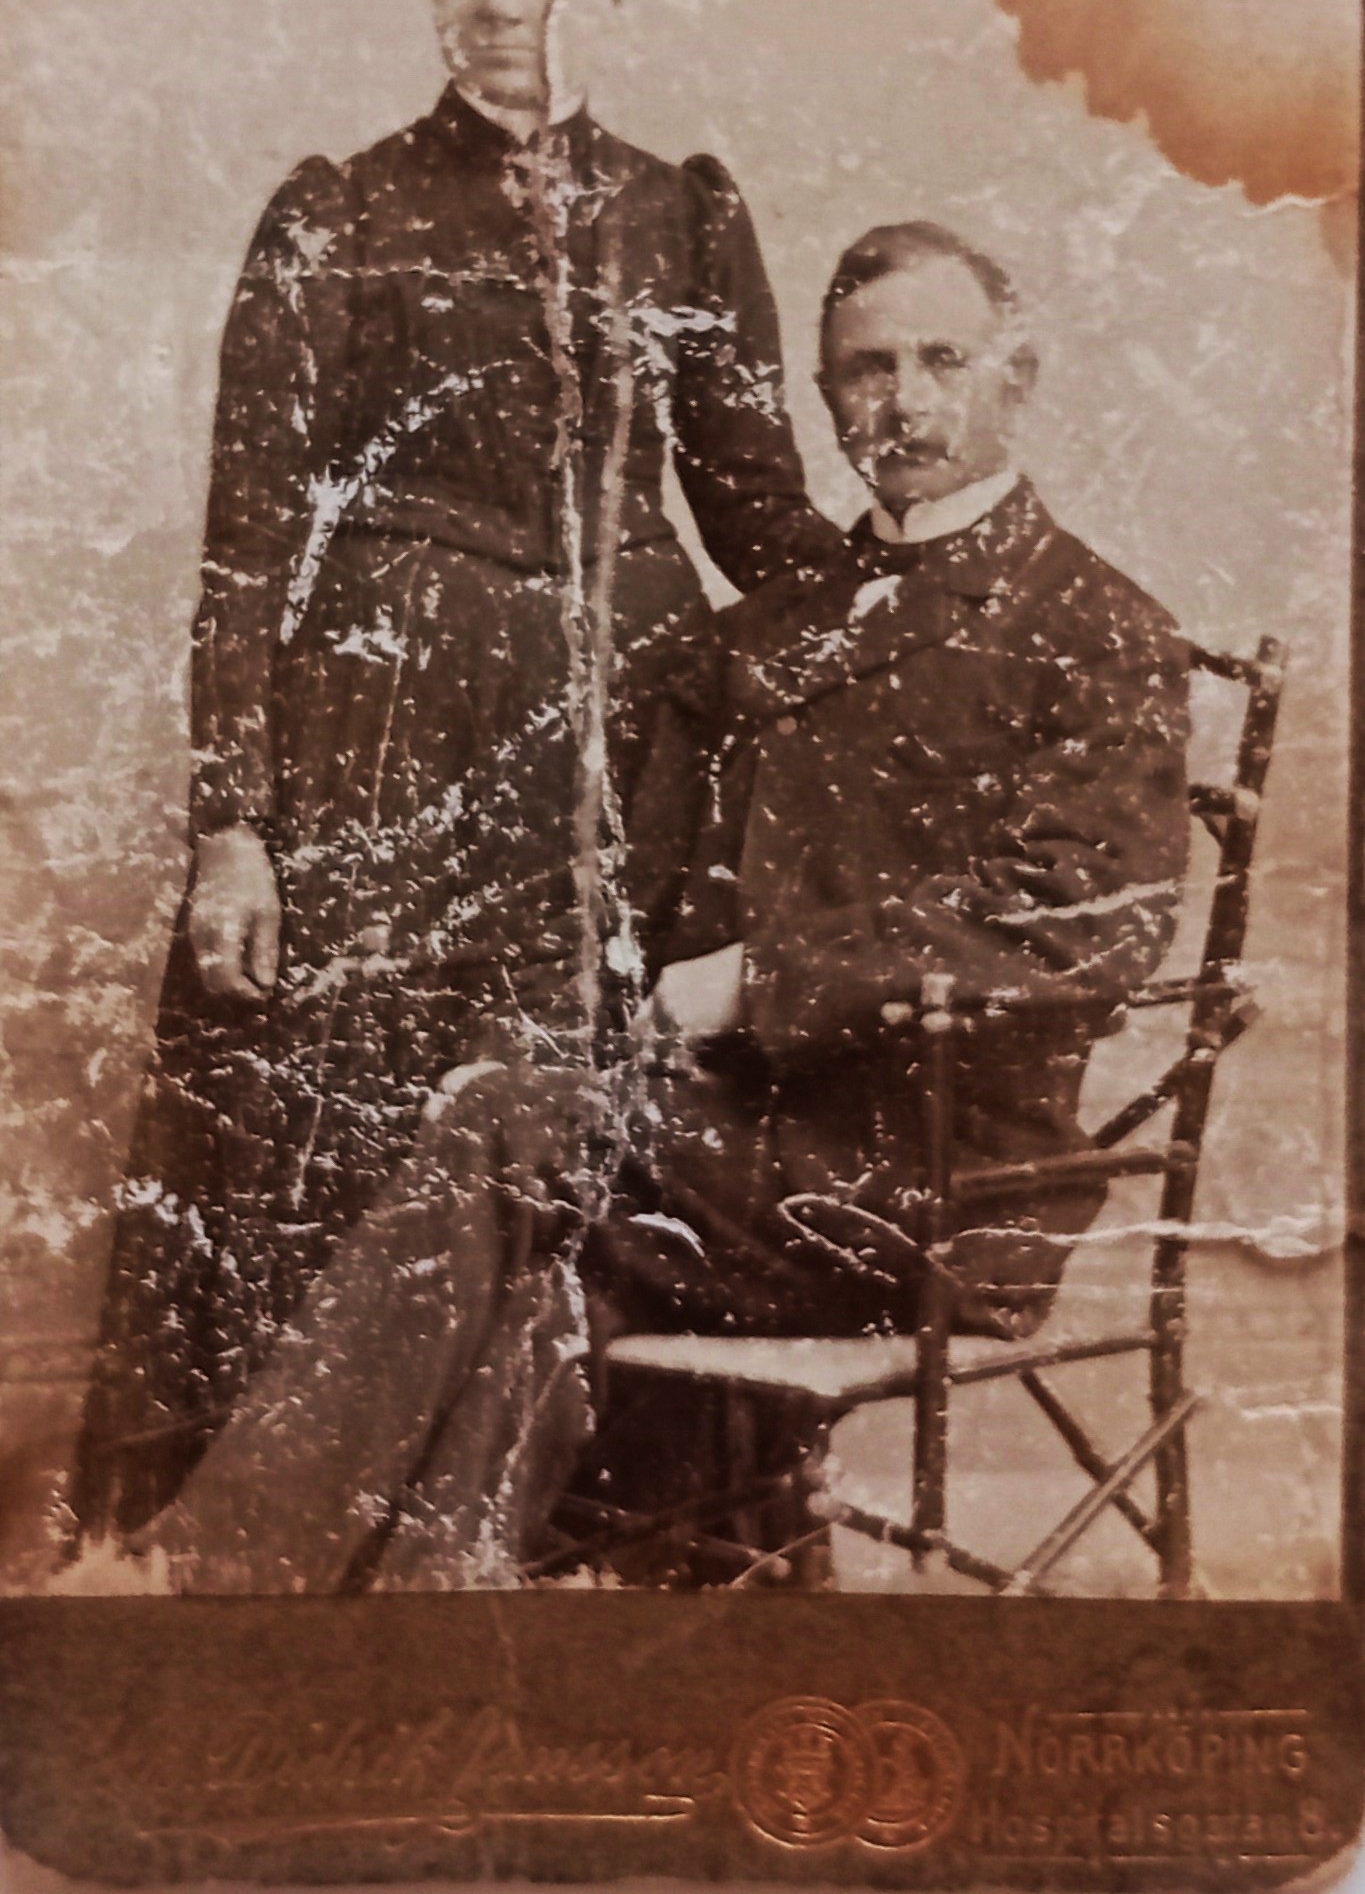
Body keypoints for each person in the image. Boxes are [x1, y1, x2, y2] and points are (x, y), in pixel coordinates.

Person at [120, 216, 1190, 1593]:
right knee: (529, 1251)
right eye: (866, 370)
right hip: (732, 1157)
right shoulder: (764, 631)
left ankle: (216, 1587)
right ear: (824, 398)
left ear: (1017, 376)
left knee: (512, 1136)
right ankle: (416, 1631)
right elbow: (632, 893)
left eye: (943, 360)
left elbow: (1082, 927)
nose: (904, 401)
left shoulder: (1095, 626)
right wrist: (551, 1021)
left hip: (938, 1181)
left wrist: (752, 983)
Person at [66, 0, 840, 1554]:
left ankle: (575, 1550)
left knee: (576, 1145)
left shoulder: (686, 215)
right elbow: (248, 550)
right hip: (384, 770)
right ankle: (295, 1565)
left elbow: (759, 519)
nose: (504, 3)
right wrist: (234, 828)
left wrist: (915, 593)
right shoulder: (336, 213)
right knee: (355, 1160)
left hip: (617, 782)